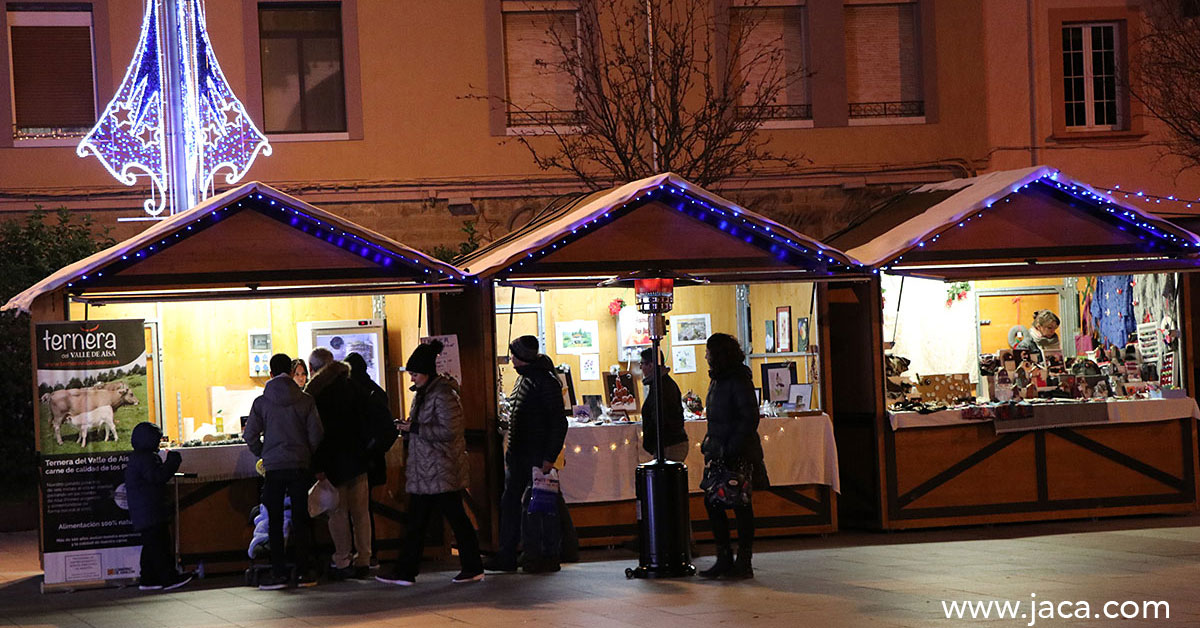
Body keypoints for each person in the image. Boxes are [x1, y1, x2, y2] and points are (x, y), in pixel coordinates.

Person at [376, 340, 484, 585]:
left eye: (414, 374)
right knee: (423, 521)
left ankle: (468, 567)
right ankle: (408, 571)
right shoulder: (425, 394)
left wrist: (413, 427)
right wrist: (410, 427)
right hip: (428, 470)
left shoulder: (444, 394)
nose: (412, 379)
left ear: (426, 373)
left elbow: (451, 430)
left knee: (450, 519)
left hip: (442, 469)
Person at [483, 335, 568, 574]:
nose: (511, 359)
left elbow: (558, 422)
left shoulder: (544, 381)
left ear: (523, 358)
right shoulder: (526, 380)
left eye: (514, 355)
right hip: (520, 455)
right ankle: (509, 554)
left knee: (539, 507)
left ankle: (542, 555)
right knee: (512, 504)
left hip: (537, 456)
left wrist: (549, 457)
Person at [243, 353, 324, 590]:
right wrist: (305, 453)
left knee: (275, 519)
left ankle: (277, 572)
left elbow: (249, 435)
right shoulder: (306, 400)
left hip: (274, 468)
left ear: (270, 373)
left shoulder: (261, 402)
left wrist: (264, 452)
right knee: (301, 518)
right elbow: (316, 435)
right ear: (291, 372)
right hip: (299, 465)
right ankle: (304, 571)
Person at [699, 333, 768, 579]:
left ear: (718, 354)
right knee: (714, 502)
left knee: (739, 505)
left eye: (708, 351)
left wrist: (729, 447)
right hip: (721, 451)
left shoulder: (737, 380)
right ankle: (726, 557)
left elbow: (748, 418)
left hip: (737, 453)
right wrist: (710, 443)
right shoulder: (719, 379)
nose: (705, 355)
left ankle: (742, 560)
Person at [307, 347, 373, 580]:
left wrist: (318, 465)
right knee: (361, 513)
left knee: (338, 513)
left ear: (313, 369)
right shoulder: (354, 386)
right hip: (358, 459)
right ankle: (364, 559)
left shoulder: (316, 394)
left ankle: (343, 559)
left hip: (333, 461)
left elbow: (319, 435)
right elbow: (369, 423)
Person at [125, 421, 191, 591]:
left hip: (143, 510)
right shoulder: (146, 458)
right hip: (151, 509)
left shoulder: (137, 457)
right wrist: (172, 461)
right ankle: (168, 578)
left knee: (151, 545)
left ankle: (148, 579)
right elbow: (157, 477)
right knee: (160, 545)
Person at [639, 347, 689, 462]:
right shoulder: (660, 383)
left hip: (669, 444)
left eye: (642, 364)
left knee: (666, 478)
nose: (641, 367)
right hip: (668, 442)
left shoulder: (661, 386)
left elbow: (660, 417)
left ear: (651, 365)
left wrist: (651, 440)